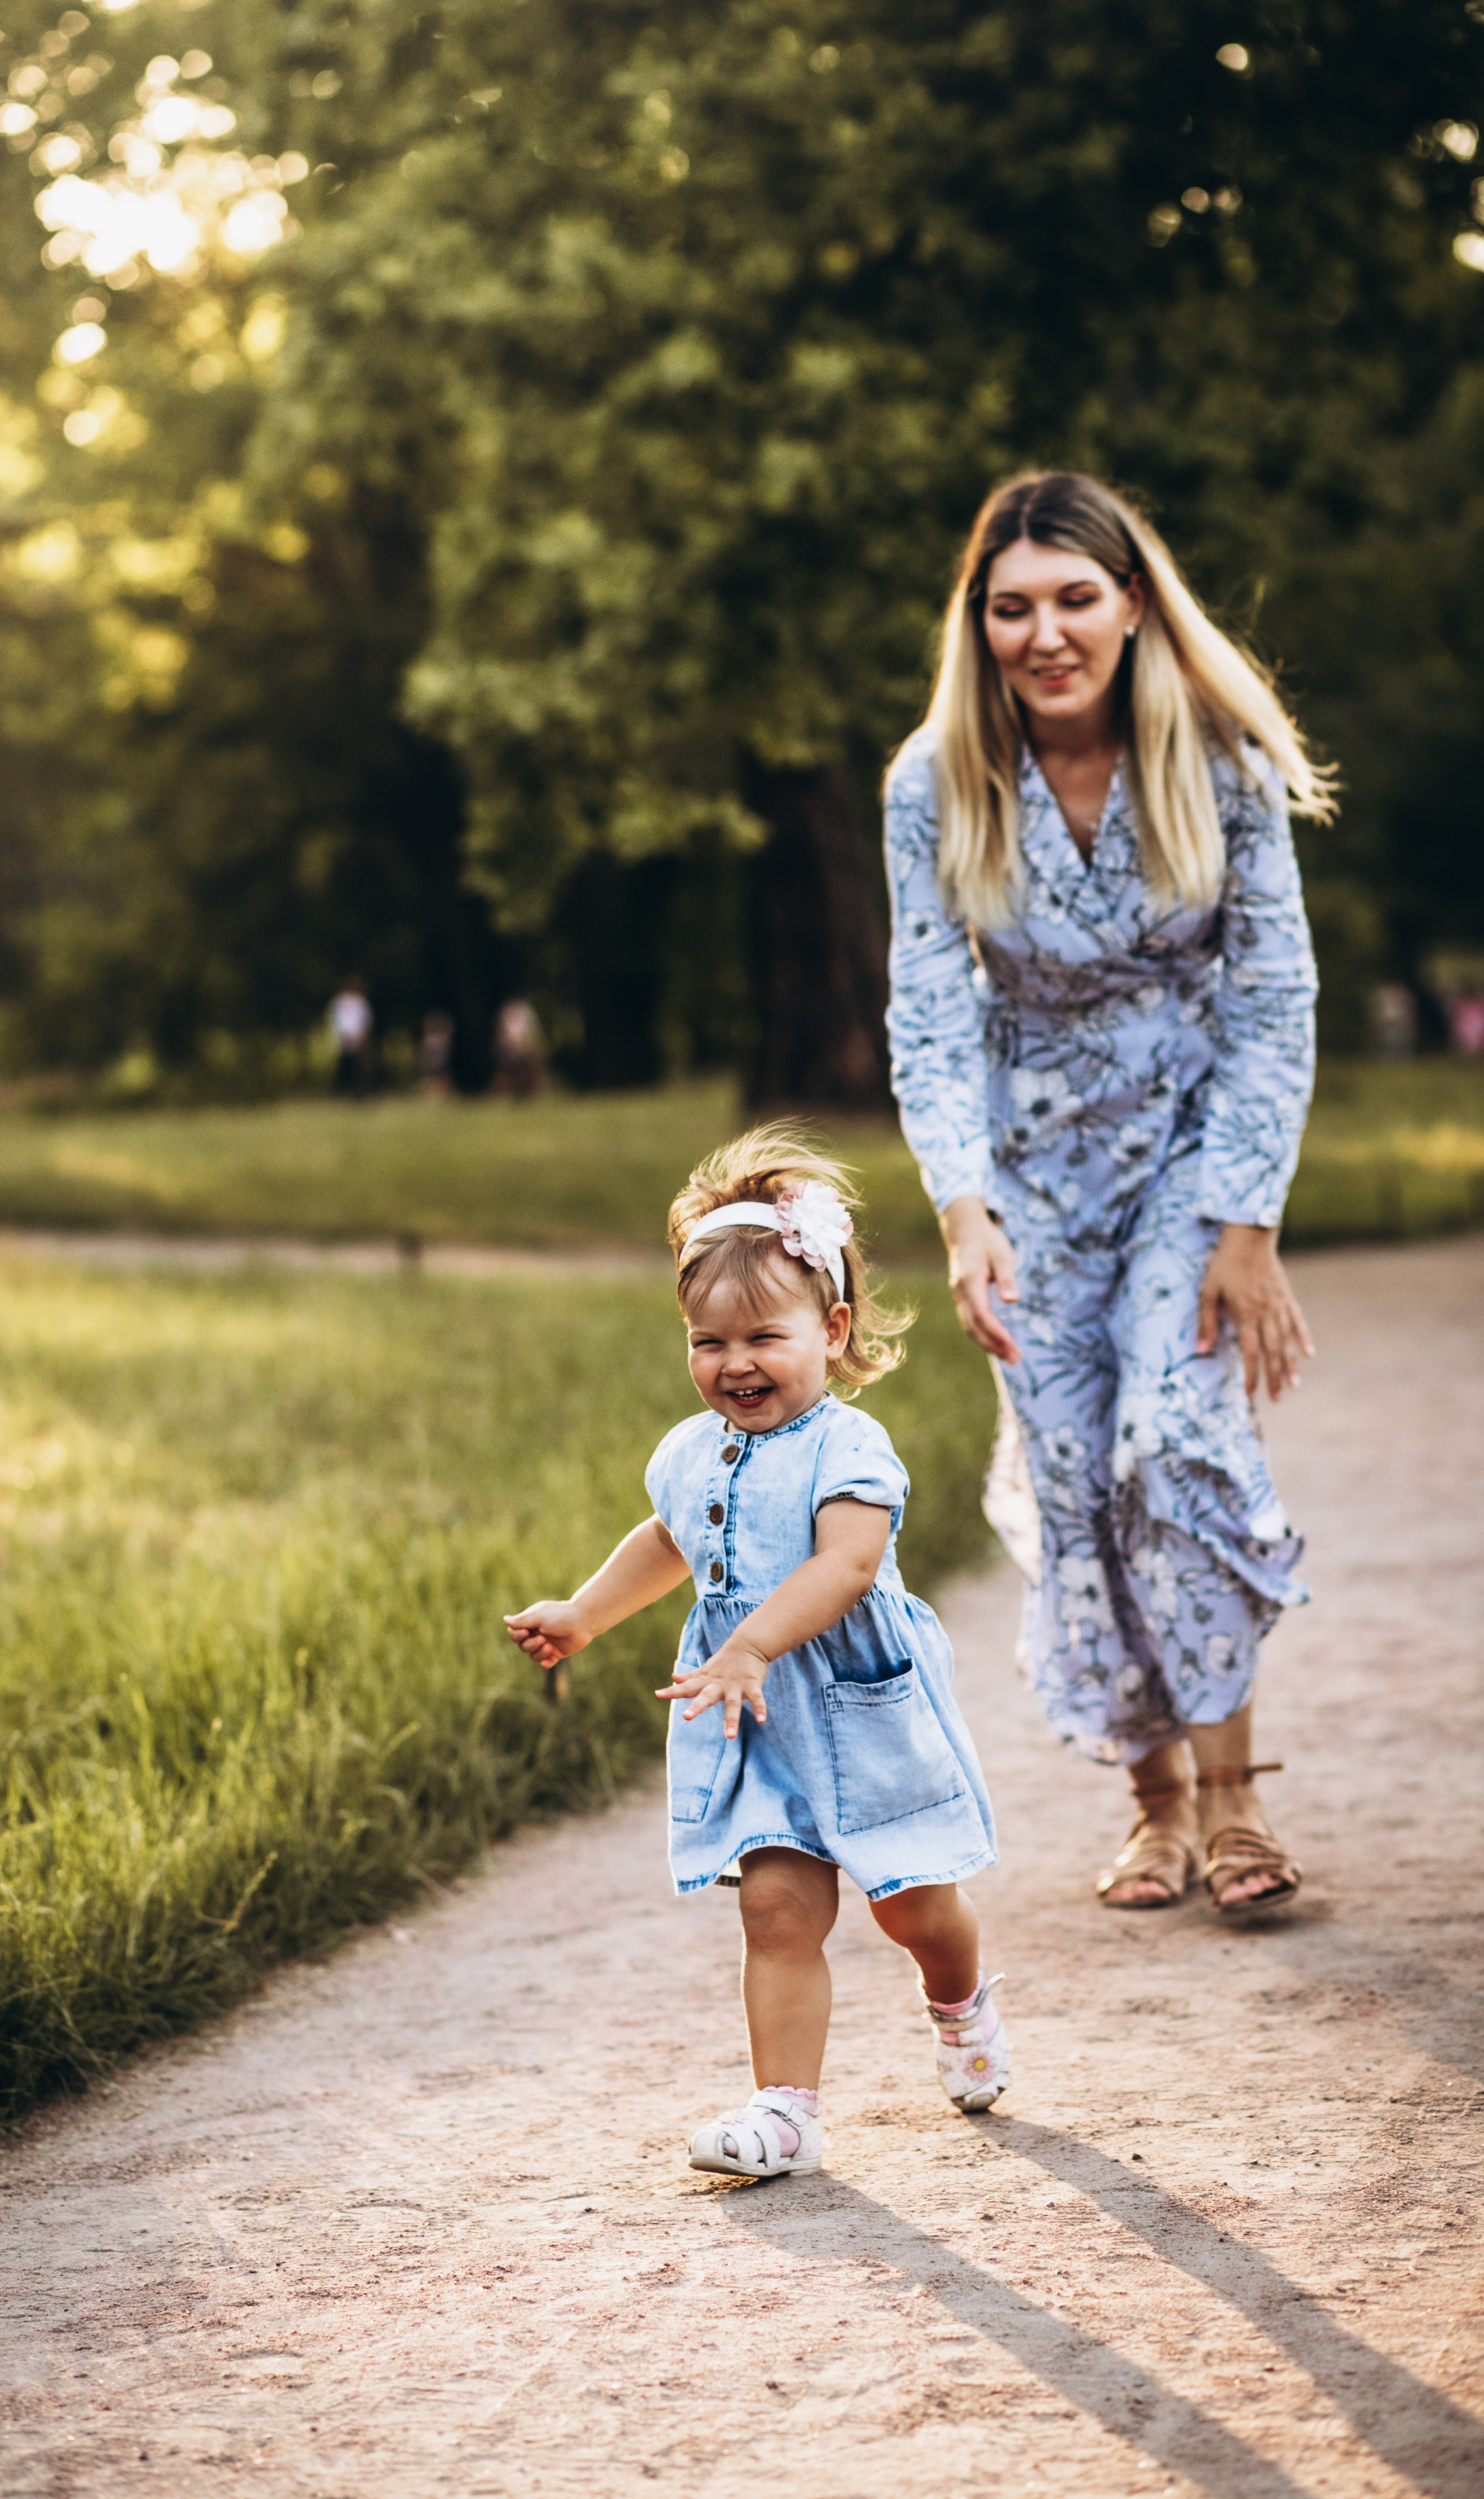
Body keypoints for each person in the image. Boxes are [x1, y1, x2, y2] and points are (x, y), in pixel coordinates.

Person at [885, 470, 1332, 1919]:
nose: (1045, 632)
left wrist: (1245, 1229)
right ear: (981, 623)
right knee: (1077, 1473)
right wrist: (962, 1207)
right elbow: (927, 1013)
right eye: (1010, 606)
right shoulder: (930, 780)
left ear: (1131, 605)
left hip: (1193, 1164)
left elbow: (1272, 1001)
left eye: (1075, 598)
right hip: (1029, 1176)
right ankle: (1151, 1809)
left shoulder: (1216, 766)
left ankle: (1231, 1797)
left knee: (1172, 1434)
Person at [504, 1129, 1008, 2179]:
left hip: (859, 1708)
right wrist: (588, 1613)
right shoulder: (691, 1455)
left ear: (831, 1330)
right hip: (763, 1720)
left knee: (911, 1906)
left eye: (763, 1338)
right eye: (707, 1341)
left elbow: (848, 1568)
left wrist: (749, 1643)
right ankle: (787, 2113)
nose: (734, 1364)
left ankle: (959, 2002)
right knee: (777, 1906)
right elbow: (668, 1541)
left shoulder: (851, 1448)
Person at [328, 977, 374, 1098]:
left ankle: (356, 1094)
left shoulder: (345, 1002)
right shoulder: (350, 1002)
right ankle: (348, 1093)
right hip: (349, 1040)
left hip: (353, 1040)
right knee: (349, 1068)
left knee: (356, 1068)